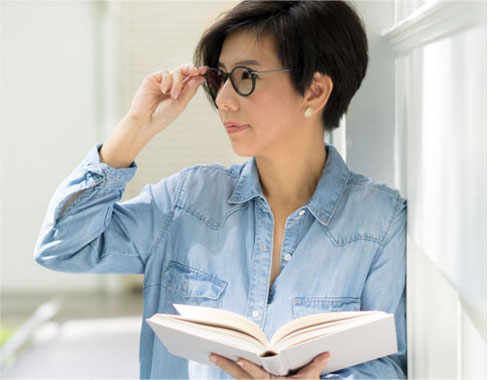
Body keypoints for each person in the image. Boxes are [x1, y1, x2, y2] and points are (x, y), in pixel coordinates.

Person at [34, 1, 407, 379]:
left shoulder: (379, 221)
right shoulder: (188, 200)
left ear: (314, 90)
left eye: (246, 77)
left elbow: (387, 366)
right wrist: (134, 129)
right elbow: (62, 247)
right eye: (220, 78)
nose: (224, 101)